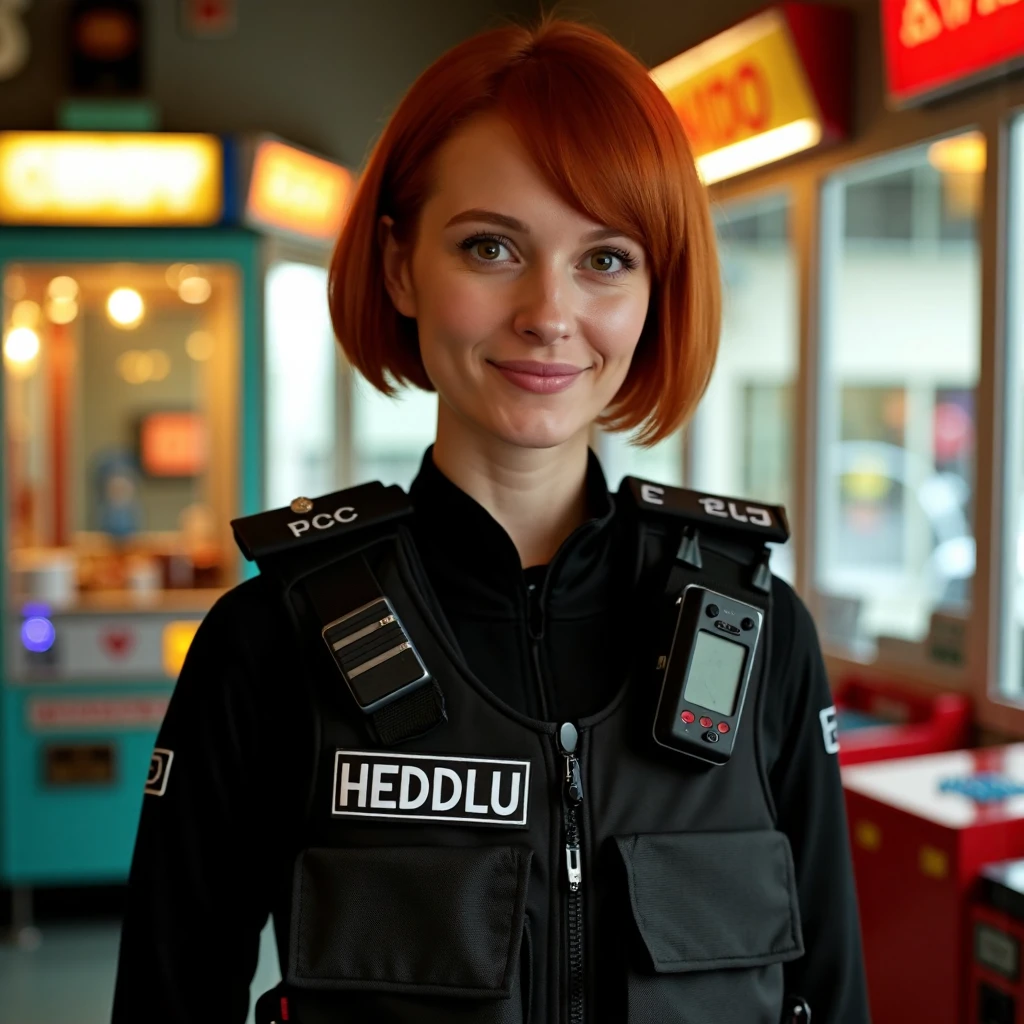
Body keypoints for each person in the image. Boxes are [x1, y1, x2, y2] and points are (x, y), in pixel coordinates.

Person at [112, 16, 869, 1024]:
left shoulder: (759, 635)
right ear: (398, 267)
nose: (548, 312)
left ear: (656, 290)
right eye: (491, 246)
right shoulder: (269, 645)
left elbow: (831, 999)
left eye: (605, 259)